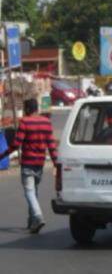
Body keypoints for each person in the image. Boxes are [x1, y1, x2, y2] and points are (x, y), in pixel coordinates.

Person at [0, 99, 58, 233]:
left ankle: (38, 217)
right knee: (34, 191)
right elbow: (51, 145)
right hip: (40, 163)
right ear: (36, 108)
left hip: (28, 163)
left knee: (30, 192)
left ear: (26, 109)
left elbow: (16, 143)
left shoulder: (25, 122)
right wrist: (56, 164)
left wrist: (3, 154)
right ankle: (32, 222)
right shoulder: (46, 122)